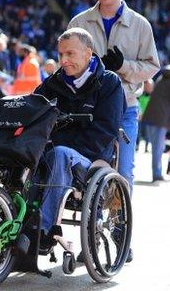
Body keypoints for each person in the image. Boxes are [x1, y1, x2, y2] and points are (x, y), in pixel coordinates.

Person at [67, 0, 160, 195]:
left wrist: (123, 66)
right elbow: (66, 62)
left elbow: (152, 67)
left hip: (125, 108)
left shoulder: (140, 25)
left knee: (124, 174)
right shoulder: (79, 23)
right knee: (86, 171)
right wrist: (92, 67)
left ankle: (120, 228)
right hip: (87, 108)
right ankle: (92, 223)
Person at [33, 28, 125, 254]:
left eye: (70, 54)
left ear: (88, 54)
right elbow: (33, 110)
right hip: (55, 153)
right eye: (60, 55)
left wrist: (61, 146)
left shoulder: (109, 83)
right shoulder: (53, 83)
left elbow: (106, 130)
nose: (63, 60)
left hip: (91, 160)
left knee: (61, 154)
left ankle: (44, 232)